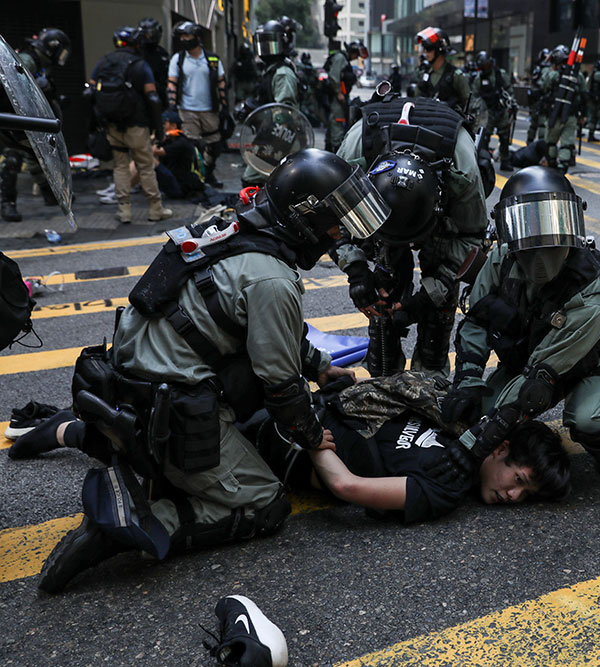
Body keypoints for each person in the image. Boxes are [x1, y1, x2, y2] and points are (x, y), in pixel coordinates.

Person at [35, 149, 391, 594]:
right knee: (266, 504)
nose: (339, 234)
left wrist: (319, 367)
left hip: (126, 383)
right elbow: (280, 389)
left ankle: (97, 438)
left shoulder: (233, 228)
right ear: (307, 220)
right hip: (170, 406)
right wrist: (312, 434)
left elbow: (244, 323)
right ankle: (130, 524)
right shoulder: (273, 279)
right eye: (335, 221)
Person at [446, 166, 600, 477]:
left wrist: (471, 448)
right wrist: (467, 381)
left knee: (593, 420)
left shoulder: (591, 293)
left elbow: (536, 381)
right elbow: (477, 320)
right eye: (528, 226)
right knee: (472, 411)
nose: (540, 240)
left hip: (592, 361)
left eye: (551, 224)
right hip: (532, 355)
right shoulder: (502, 259)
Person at [254, 374, 571, 523]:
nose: (515, 497)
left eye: (526, 494)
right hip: (301, 403)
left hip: (284, 445)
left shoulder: (446, 489)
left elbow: (345, 485)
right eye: (519, 480)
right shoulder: (456, 424)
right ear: (501, 448)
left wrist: (309, 433)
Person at [333, 95, 487, 377]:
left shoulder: (461, 169)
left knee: (439, 303)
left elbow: (471, 238)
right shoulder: (355, 152)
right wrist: (356, 271)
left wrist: (430, 295)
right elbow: (333, 223)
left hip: (442, 212)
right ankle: (383, 368)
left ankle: (430, 372)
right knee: (384, 281)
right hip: (379, 210)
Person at [90, 27, 172, 224]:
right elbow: (152, 98)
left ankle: (124, 211)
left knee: (120, 167)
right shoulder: (139, 65)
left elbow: (90, 93)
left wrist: (95, 123)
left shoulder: (103, 62)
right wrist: (159, 129)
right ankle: (155, 209)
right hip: (137, 126)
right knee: (146, 166)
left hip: (112, 126)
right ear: (137, 43)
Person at [1, 27, 71, 221]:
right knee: (12, 159)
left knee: (37, 154)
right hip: (11, 118)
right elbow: (10, 85)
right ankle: (8, 203)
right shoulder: (29, 60)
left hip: (25, 118)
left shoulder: (42, 62)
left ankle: (50, 194)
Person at [168, 21, 227, 188]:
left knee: (214, 145)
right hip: (187, 110)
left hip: (209, 109)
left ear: (197, 37)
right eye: (182, 37)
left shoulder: (212, 59)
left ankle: (209, 172)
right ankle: (196, 178)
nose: (185, 39)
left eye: (188, 36)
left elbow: (221, 82)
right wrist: (173, 106)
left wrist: (224, 107)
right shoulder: (178, 59)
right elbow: (172, 83)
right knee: (193, 146)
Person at [241, 20, 300, 187]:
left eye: (272, 43)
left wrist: (257, 111)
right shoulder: (271, 69)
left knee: (251, 178)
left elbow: (284, 112)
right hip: (271, 133)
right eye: (264, 43)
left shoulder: (282, 73)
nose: (267, 49)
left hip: (280, 136)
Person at [539, 44, 585, 173]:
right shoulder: (578, 75)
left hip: (554, 114)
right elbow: (584, 96)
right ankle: (562, 167)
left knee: (551, 142)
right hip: (571, 115)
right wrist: (583, 115)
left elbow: (543, 88)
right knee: (566, 143)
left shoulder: (552, 75)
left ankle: (553, 166)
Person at [471, 51, 515, 172]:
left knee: (504, 137)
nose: (485, 69)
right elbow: (474, 96)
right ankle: (484, 162)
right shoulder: (478, 79)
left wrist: (511, 103)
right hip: (487, 112)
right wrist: (479, 108)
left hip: (501, 110)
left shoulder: (500, 74)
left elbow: (509, 89)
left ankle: (505, 160)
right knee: (484, 137)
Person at [152, 110, 206, 201]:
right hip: (173, 182)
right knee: (142, 158)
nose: (162, 127)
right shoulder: (169, 140)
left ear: (173, 126)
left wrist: (154, 137)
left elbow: (154, 151)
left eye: (165, 124)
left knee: (145, 158)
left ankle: (125, 189)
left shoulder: (181, 143)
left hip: (180, 188)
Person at [414, 27, 470, 115]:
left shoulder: (456, 76)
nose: (425, 53)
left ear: (439, 50)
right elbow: (415, 101)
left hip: (448, 125)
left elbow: (469, 105)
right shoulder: (423, 75)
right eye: (424, 49)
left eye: (428, 49)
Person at [323, 40, 365, 152]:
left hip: (340, 97)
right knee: (337, 122)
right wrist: (338, 92)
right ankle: (335, 152)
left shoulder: (343, 59)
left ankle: (329, 149)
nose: (356, 58)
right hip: (337, 98)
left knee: (334, 124)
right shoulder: (340, 58)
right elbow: (333, 76)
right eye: (356, 55)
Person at [137, 18, 170, 105]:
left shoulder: (162, 53)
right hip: (139, 94)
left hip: (158, 93)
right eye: (146, 34)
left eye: (151, 34)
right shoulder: (135, 52)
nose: (148, 37)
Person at [526, 48, 550, 143]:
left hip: (535, 100)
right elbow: (545, 86)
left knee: (533, 124)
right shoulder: (548, 70)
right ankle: (540, 146)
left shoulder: (538, 69)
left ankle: (529, 143)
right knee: (542, 124)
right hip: (542, 99)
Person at [229, 41, 258, 108]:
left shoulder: (251, 60)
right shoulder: (239, 60)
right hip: (241, 83)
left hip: (250, 82)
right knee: (240, 99)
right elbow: (232, 70)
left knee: (250, 101)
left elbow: (255, 70)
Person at [585, 59, 600, 142]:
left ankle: (591, 135)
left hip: (591, 99)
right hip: (599, 100)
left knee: (592, 118)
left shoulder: (593, 74)